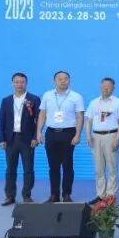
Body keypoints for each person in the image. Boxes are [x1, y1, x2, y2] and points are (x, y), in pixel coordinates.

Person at [35, 71, 85, 203]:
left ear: (69, 80)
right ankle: (54, 195)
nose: (63, 81)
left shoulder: (76, 96)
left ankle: (67, 194)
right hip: (51, 133)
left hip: (68, 133)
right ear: (54, 81)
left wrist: (78, 134)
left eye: (66, 79)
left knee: (68, 165)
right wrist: (39, 132)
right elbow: (42, 114)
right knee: (53, 166)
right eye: (60, 79)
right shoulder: (47, 95)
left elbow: (80, 116)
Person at [0, 72, 40, 206]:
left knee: (28, 169)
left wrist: (35, 137)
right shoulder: (6, 101)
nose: (19, 84)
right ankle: (10, 196)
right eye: (16, 82)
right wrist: (1, 139)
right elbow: (1, 121)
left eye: (22, 82)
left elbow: (38, 121)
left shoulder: (34, 99)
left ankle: (27, 195)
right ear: (12, 84)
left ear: (26, 83)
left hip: (27, 140)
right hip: (10, 139)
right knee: (10, 169)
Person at [85, 77, 119, 204]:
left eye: (108, 86)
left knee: (112, 167)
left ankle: (110, 195)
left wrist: (117, 138)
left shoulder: (118, 102)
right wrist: (88, 136)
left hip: (111, 136)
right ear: (100, 86)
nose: (105, 88)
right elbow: (88, 120)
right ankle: (100, 194)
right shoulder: (93, 102)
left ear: (113, 88)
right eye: (104, 85)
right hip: (96, 137)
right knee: (98, 168)